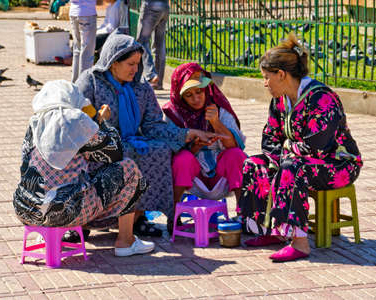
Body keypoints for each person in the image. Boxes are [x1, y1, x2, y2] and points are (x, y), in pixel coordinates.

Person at [76, 31, 218, 237]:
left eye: (137, 63)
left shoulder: (141, 88)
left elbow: (153, 125)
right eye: (130, 64)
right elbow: (74, 118)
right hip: (96, 143)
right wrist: (98, 119)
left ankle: (137, 218)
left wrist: (189, 133)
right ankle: (83, 222)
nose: (136, 69)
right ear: (114, 62)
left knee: (158, 151)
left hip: (129, 143)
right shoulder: (90, 82)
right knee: (116, 156)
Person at [239, 33, 362, 262]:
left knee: (292, 167)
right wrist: (277, 155)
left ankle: (299, 242)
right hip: (300, 159)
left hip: (339, 165)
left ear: (281, 75)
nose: (265, 83)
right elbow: (270, 137)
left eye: (267, 77)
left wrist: (286, 151)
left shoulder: (321, 98)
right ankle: (269, 231)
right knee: (253, 164)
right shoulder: (280, 99)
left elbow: (317, 147)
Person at [13, 80, 154, 257]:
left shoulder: (35, 122)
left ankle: (46, 234)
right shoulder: (74, 120)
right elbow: (115, 152)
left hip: (25, 210)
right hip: (65, 212)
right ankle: (126, 241)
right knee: (129, 168)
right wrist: (101, 122)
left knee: (67, 181)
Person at [163, 63, 247, 232]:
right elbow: (170, 150)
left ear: (206, 89)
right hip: (193, 179)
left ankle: (244, 212)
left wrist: (216, 123)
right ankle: (173, 214)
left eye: (199, 91)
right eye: (189, 95)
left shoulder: (219, 109)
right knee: (182, 159)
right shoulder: (174, 114)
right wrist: (193, 147)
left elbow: (235, 145)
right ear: (181, 97)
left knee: (237, 156)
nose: (196, 98)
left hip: (220, 177)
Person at [136, 0, 169, 90]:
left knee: (142, 41)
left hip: (151, 6)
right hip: (165, 5)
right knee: (160, 44)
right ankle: (158, 82)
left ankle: (151, 74)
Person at [70, 0, 97, 83]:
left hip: (73, 12)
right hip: (87, 13)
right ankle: (83, 85)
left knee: (77, 50)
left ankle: (75, 84)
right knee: (87, 52)